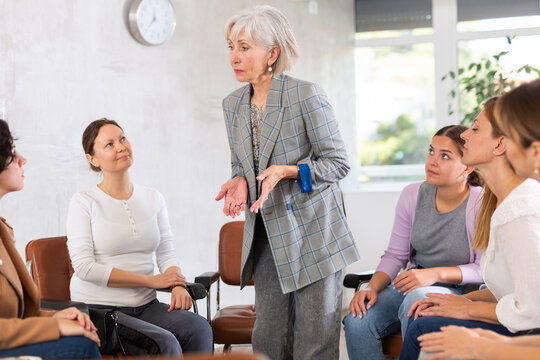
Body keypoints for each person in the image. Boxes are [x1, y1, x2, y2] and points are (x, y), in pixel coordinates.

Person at [214, 6, 360, 359]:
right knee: (268, 338)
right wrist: (239, 180)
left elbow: (338, 163)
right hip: (265, 235)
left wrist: (289, 171)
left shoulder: (306, 95)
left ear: (272, 54)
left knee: (314, 340)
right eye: (231, 46)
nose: (234, 56)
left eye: (245, 47)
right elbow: (242, 161)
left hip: (314, 234)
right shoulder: (232, 104)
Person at [400, 97, 540, 360]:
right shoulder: (497, 201)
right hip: (517, 324)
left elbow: (533, 308)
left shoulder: (520, 211)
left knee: (424, 329)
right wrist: (464, 301)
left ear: (500, 144)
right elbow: (512, 289)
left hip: (528, 337)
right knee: (428, 319)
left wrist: (467, 309)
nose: (464, 134)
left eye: (475, 128)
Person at [66, 118, 212, 356]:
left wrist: (176, 284)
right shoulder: (83, 202)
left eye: (123, 138)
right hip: (101, 312)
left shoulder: (153, 197)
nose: (121, 147)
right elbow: (84, 267)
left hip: (146, 306)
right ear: (92, 159)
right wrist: (150, 281)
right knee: (165, 343)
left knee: (198, 328)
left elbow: (166, 251)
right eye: (109, 144)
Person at [343, 125, 484, 360]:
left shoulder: (480, 202)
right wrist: (372, 287)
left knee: (418, 298)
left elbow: (483, 269)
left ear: (467, 167)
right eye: (431, 151)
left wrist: (433, 275)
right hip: (412, 282)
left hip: (458, 291)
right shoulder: (412, 194)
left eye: (445, 156)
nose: (432, 161)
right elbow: (395, 255)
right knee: (358, 319)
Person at [0, 119, 101, 359]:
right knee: (80, 347)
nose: (23, 159)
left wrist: (55, 316)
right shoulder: (84, 202)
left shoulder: (3, 232)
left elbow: (16, 316)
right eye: (13, 153)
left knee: (80, 334)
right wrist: (54, 326)